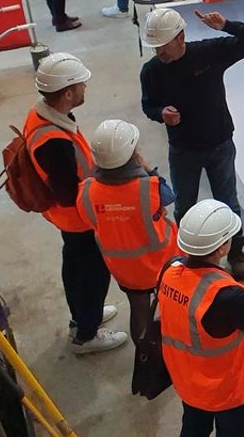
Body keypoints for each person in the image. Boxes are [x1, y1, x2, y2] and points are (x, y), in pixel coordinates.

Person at [139, 8, 244, 280]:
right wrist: (161, 113)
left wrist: (227, 25)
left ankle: (235, 252)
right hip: (183, 149)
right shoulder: (151, 71)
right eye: (155, 47)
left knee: (228, 203)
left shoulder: (208, 53)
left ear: (180, 37)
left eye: (163, 45)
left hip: (219, 144)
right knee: (184, 206)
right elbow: (148, 105)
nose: (159, 52)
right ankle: (191, 256)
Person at [22, 53, 126, 354]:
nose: (85, 88)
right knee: (92, 273)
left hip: (68, 218)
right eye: (81, 84)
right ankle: (87, 335)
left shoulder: (43, 114)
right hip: (78, 218)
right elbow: (68, 193)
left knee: (75, 266)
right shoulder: (54, 142)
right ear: (68, 93)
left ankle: (82, 317)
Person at [160, 200, 244, 437]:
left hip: (188, 380)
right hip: (228, 390)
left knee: (193, 427)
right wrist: (234, 285)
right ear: (222, 248)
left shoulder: (170, 270)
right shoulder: (225, 295)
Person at [77, 120, 180, 347]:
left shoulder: (87, 191)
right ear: (133, 154)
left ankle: (145, 355)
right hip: (160, 262)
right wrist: (147, 169)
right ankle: (174, 349)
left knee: (139, 308)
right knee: (171, 303)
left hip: (124, 268)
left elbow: (89, 219)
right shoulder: (149, 187)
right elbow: (169, 196)